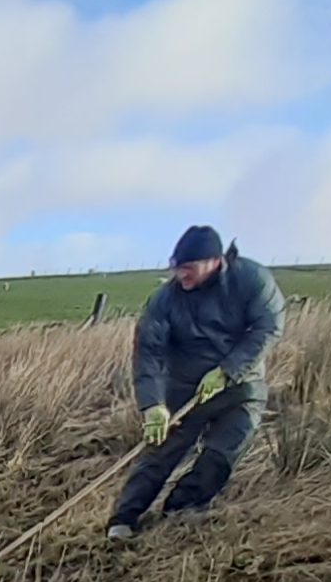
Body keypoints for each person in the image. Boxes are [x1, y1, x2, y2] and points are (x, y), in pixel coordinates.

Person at [110, 225, 284, 540]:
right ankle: (124, 519)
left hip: (241, 388)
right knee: (160, 453)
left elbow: (268, 328)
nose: (181, 275)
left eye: (188, 268)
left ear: (214, 261)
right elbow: (149, 351)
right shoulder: (164, 299)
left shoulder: (252, 280)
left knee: (223, 454)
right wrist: (153, 405)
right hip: (185, 388)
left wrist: (229, 370)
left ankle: (178, 513)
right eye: (177, 268)